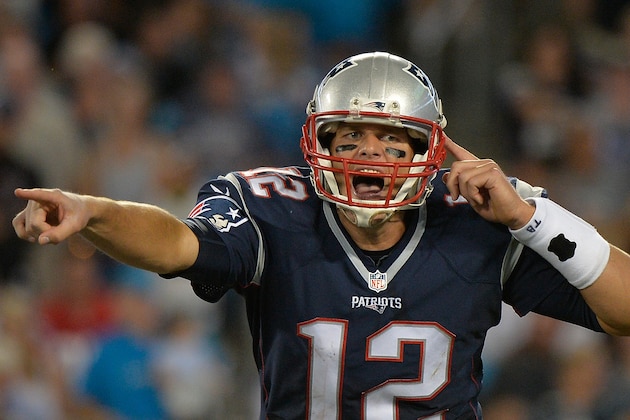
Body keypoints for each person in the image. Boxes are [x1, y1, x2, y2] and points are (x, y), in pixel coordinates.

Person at [12, 52, 630, 419]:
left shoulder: (476, 219)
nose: (370, 155)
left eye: (392, 140)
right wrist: (94, 211)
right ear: (319, 145)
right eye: (349, 138)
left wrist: (532, 218)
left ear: (429, 150)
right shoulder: (273, 208)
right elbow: (177, 243)